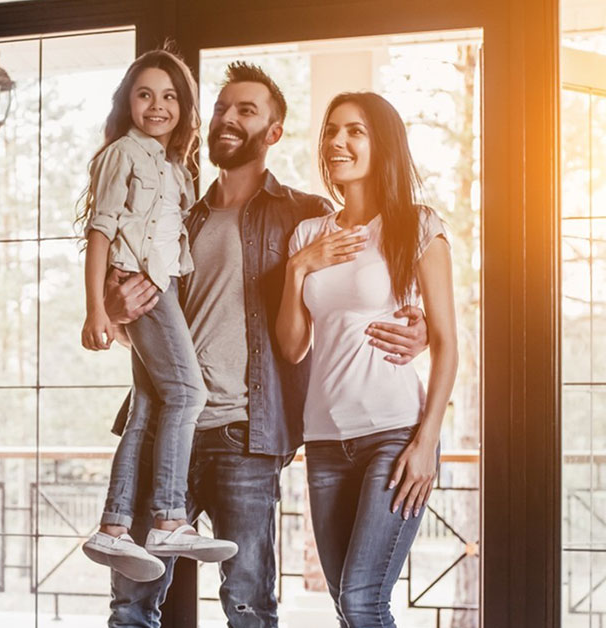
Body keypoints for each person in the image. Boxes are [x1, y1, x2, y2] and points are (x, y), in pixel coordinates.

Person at [102, 64, 429, 627]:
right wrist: (112, 307)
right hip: (163, 435)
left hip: (245, 440)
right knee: (131, 606)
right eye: (222, 109)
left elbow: (369, 278)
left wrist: (417, 323)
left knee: (250, 607)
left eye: (246, 111)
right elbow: (132, 297)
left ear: (274, 132)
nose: (229, 119)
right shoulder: (176, 210)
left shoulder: (306, 216)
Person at [276, 92, 458, 627]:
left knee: (362, 601)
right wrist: (296, 269)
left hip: (393, 434)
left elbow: (447, 342)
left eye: (355, 131)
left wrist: (426, 443)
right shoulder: (309, 234)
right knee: (346, 605)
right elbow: (292, 347)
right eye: (332, 130)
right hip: (326, 443)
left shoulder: (417, 226)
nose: (338, 142)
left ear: (383, 144)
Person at [79, 47, 238, 584]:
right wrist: (96, 308)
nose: (157, 105)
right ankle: (171, 517)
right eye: (145, 94)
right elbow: (99, 230)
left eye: (170, 96)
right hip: (141, 284)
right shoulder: (122, 153)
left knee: (149, 407)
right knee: (190, 394)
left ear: (184, 107)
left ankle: (115, 527)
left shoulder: (174, 167)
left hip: (161, 284)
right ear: (127, 100)